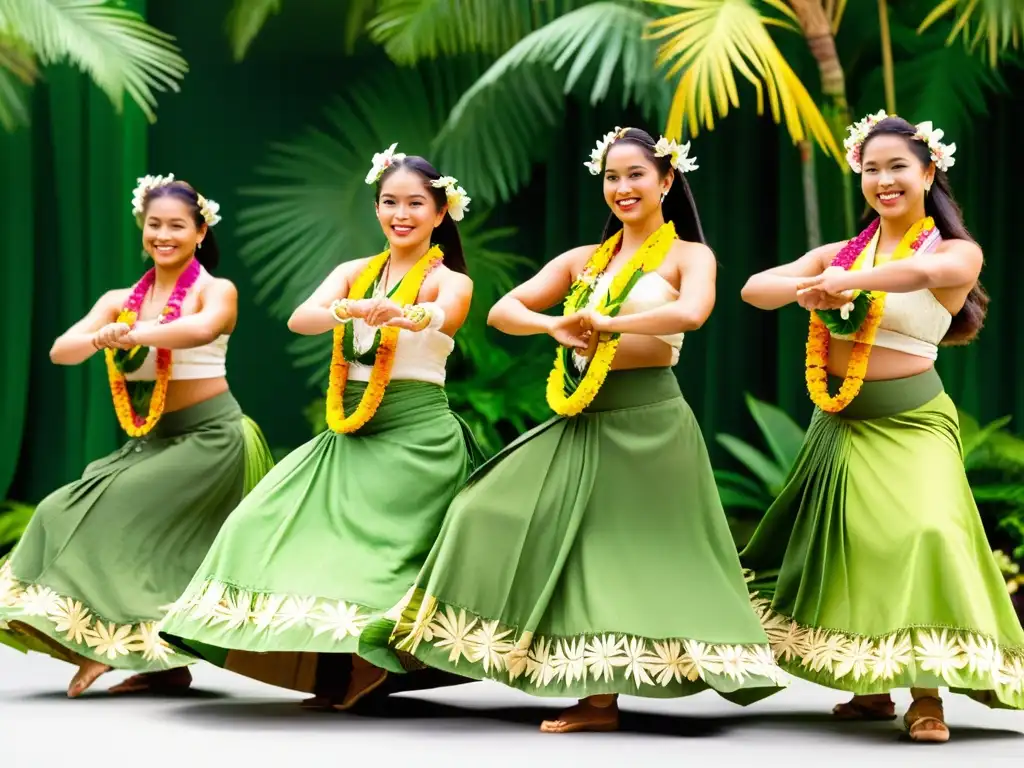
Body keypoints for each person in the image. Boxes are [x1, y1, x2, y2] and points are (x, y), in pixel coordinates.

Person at [361, 127, 786, 734]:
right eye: (612, 177)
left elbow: (693, 312)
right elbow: (505, 311)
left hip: (651, 420)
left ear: (667, 181)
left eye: (636, 175)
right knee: (481, 509)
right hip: (581, 416)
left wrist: (607, 322)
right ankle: (433, 644)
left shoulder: (690, 254)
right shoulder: (586, 259)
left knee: (619, 549)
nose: (623, 188)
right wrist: (556, 324)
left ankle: (598, 696)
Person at [158, 146, 481, 710]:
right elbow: (301, 317)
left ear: (440, 212)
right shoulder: (355, 273)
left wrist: (408, 315)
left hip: (417, 438)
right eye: (388, 202)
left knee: (374, 552)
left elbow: (447, 313)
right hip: (350, 431)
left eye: (413, 203)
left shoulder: (448, 278)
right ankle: (332, 660)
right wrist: (351, 309)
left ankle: (371, 662)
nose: (399, 213)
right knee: (258, 522)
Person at [739, 113, 1024, 742]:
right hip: (840, 421)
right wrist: (811, 285)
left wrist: (843, 283)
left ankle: (929, 695)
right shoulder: (842, 253)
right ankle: (871, 687)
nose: (883, 179)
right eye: (871, 168)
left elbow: (922, 278)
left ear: (928, 173)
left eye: (898, 166)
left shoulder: (954, 251)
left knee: (923, 534)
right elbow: (754, 289)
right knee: (853, 547)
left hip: (912, 421)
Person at [0, 176, 273, 697]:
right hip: (156, 439)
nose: (163, 235)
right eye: (154, 225)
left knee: (125, 515)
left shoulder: (215, 290)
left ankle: (108, 650)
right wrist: (98, 334)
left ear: (199, 232)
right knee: (60, 508)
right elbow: (62, 350)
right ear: (142, 230)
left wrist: (131, 334)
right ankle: (160, 662)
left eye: (177, 226)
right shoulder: (120, 299)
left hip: (214, 440)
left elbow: (199, 330)